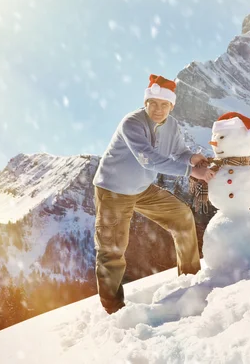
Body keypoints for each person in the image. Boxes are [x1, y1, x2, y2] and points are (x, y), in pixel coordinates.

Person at [92, 74, 215, 314]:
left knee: (182, 216)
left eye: (164, 104)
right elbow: (147, 159)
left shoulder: (172, 126)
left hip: (142, 189)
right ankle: (113, 311)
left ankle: (189, 278)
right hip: (113, 191)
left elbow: (178, 152)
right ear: (146, 102)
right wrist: (191, 171)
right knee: (112, 250)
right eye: (153, 103)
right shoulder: (132, 123)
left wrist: (191, 158)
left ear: (172, 105)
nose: (158, 109)